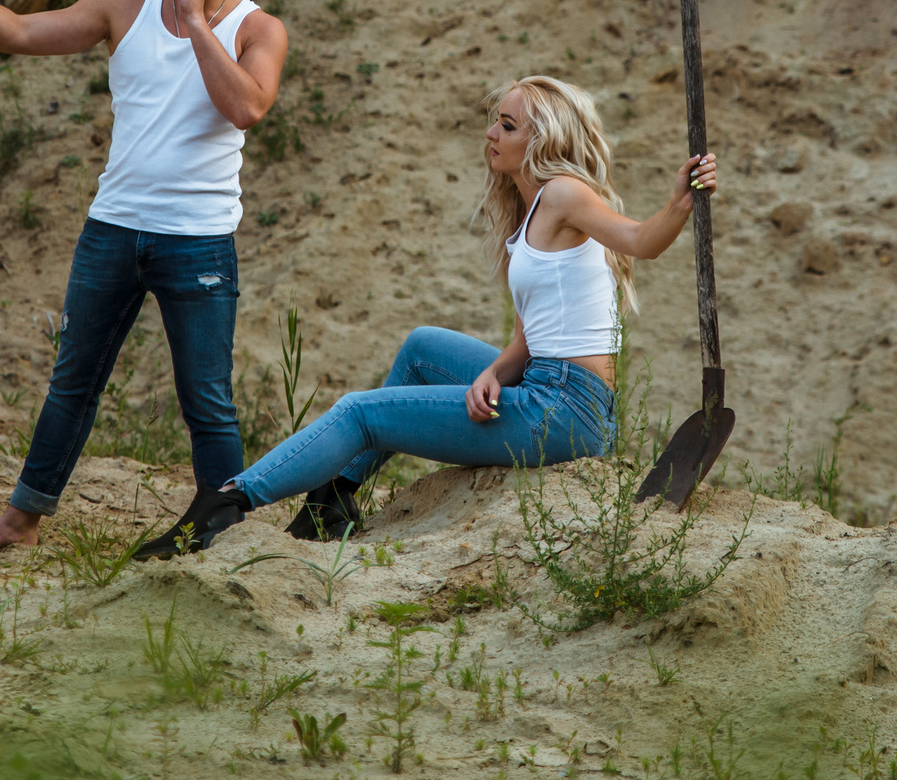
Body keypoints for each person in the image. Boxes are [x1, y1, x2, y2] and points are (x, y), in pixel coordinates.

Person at [145, 75, 719, 552]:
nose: (491, 132)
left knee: (360, 413)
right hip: (548, 384)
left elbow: (641, 240)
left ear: (542, 141)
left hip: (566, 410)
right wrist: (494, 373)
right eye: (496, 119)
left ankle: (223, 504)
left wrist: (678, 203)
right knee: (422, 347)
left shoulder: (564, 192)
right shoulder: (527, 216)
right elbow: (532, 336)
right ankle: (332, 502)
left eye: (508, 125)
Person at [0, 0, 290, 560]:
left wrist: (198, 22)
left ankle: (225, 532)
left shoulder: (257, 29)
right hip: (112, 228)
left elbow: (246, 107)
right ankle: (18, 522)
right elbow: (21, 32)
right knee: (72, 383)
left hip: (198, 237)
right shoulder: (123, 5)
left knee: (207, 399)